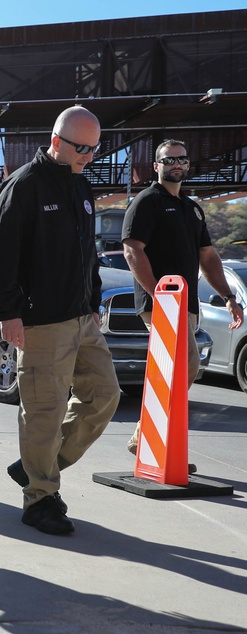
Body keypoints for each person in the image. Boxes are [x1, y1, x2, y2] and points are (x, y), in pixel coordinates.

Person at [0, 105, 121, 536]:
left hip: (81, 317)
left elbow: (88, 252)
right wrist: (8, 312)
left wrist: (94, 299)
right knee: (44, 411)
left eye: (95, 149)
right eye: (82, 147)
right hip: (41, 321)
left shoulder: (82, 186)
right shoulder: (24, 183)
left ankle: (36, 467)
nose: (90, 156)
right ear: (57, 140)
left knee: (104, 396)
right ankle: (40, 499)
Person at [122, 139, 244, 455]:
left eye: (181, 159)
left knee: (177, 369)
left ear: (188, 165)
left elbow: (208, 256)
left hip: (186, 305)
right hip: (161, 302)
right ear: (156, 166)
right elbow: (132, 249)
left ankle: (148, 440)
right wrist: (158, 295)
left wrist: (229, 296)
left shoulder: (192, 208)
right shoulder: (147, 201)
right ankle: (152, 440)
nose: (176, 164)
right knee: (185, 364)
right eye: (169, 159)